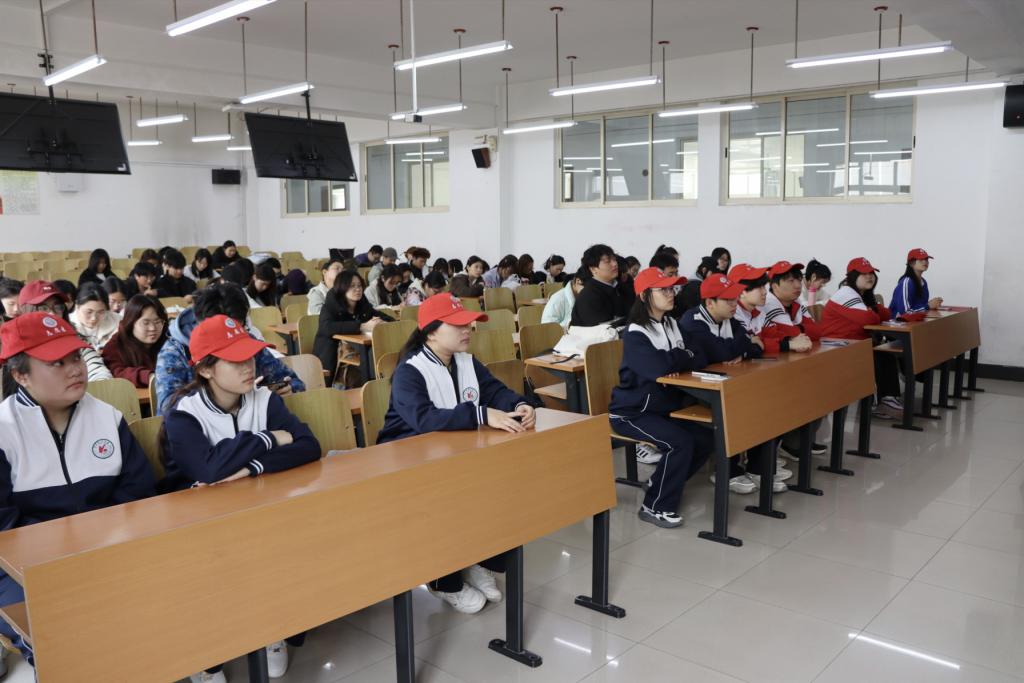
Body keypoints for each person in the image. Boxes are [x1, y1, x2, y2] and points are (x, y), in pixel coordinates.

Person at [161, 314, 319, 682]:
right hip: (201, 525)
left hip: (260, 513)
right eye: (235, 361)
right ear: (206, 369)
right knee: (209, 574)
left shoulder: (264, 399)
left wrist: (252, 468)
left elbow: (309, 446)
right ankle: (209, 657)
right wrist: (268, 439)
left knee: (285, 544)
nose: (249, 367)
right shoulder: (184, 414)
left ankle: (272, 628)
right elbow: (208, 469)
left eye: (249, 356)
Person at [0, 312, 155, 669]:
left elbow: (139, 494)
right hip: (24, 568)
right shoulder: (5, 432)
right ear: (20, 375)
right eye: (57, 363)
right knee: (62, 634)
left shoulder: (107, 418)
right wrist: (68, 556)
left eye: (76, 357)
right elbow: (5, 529)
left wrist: (100, 547)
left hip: (108, 549)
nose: (75, 370)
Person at [377, 293, 535, 613]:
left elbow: (494, 391)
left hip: (455, 450)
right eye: (458, 325)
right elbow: (424, 420)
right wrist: (481, 414)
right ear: (432, 332)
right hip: (410, 458)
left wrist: (519, 404)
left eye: (468, 324)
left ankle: (480, 561)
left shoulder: (465, 360)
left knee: (501, 484)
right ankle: (443, 582)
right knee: (443, 499)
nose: (467, 331)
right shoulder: (410, 370)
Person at [608, 268, 714, 528]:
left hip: (662, 409)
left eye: (672, 288)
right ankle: (655, 506)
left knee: (706, 439)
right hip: (631, 412)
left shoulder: (671, 323)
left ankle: (659, 482)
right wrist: (680, 357)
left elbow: (700, 354)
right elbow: (657, 368)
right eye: (663, 289)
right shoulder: (635, 333)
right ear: (645, 295)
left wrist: (674, 360)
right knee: (680, 443)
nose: (671, 293)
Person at [680, 273, 787, 495]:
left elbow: (754, 345)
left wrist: (742, 348)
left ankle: (758, 468)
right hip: (692, 389)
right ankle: (727, 470)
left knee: (768, 400)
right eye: (727, 300)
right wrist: (741, 345)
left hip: (724, 382)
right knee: (742, 404)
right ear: (710, 303)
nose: (734, 304)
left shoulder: (729, 319)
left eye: (734, 298)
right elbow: (722, 351)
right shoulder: (692, 321)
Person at [155, 284, 304, 416]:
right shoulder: (174, 353)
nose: (230, 338)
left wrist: (289, 389)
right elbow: (167, 410)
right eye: (219, 330)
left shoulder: (242, 338)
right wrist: (232, 398)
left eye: (237, 327)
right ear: (200, 322)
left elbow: (295, 382)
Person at [820, 258, 903, 419]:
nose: (869, 276)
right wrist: (873, 311)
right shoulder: (846, 293)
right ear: (852, 277)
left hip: (853, 343)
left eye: (871, 273)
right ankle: (885, 401)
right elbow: (868, 318)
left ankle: (887, 400)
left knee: (884, 353)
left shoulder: (862, 294)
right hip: (836, 346)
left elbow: (886, 313)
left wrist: (873, 310)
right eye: (864, 274)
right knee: (879, 355)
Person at [761, 261, 827, 460]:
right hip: (770, 366)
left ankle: (799, 440)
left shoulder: (796, 304)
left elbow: (816, 331)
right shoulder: (769, 303)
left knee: (820, 386)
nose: (797, 285)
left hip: (791, 361)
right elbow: (789, 334)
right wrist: (799, 331)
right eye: (790, 281)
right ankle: (788, 443)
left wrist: (798, 331)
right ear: (774, 286)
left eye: (798, 279)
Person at [14, 280, 112, 385]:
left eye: (57, 307)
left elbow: (96, 367)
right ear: (27, 311)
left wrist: (101, 385)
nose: (52, 314)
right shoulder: (17, 348)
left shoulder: (74, 338)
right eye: (43, 308)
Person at [313, 271, 392, 384]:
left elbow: (376, 314)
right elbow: (326, 327)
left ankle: (380, 381)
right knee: (371, 353)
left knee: (379, 349)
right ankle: (373, 384)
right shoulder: (331, 305)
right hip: (332, 351)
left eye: (359, 286)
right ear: (342, 288)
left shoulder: (362, 302)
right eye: (352, 286)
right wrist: (361, 326)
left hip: (358, 347)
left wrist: (384, 322)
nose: (358, 289)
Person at [101, 295, 168, 388]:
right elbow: (116, 372)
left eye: (157, 322)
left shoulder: (169, 341)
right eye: (146, 323)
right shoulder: (116, 345)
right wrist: (148, 376)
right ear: (131, 322)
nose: (153, 328)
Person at [570, 244, 626, 327]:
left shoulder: (619, 287)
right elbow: (602, 329)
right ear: (593, 269)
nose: (615, 264)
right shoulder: (588, 295)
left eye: (614, 259)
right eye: (608, 261)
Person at [890, 248, 942, 318]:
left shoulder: (923, 282)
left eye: (926, 259)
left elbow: (921, 306)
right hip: (898, 322)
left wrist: (932, 305)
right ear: (911, 263)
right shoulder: (906, 282)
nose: (925, 262)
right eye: (921, 259)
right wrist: (928, 306)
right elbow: (905, 312)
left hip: (916, 321)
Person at [70, 284, 119, 351]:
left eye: (100, 312)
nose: (94, 318)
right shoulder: (67, 325)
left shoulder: (118, 321)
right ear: (77, 307)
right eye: (89, 312)